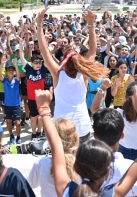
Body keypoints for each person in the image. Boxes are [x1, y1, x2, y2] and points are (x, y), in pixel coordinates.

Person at [36, 8, 108, 141]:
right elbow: (92, 49)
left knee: (63, 161)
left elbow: (43, 50)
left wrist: (39, 24)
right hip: (83, 126)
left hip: (62, 128)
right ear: (79, 61)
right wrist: (91, 24)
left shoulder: (57, 75)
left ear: (63, 61)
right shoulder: (84, 74)